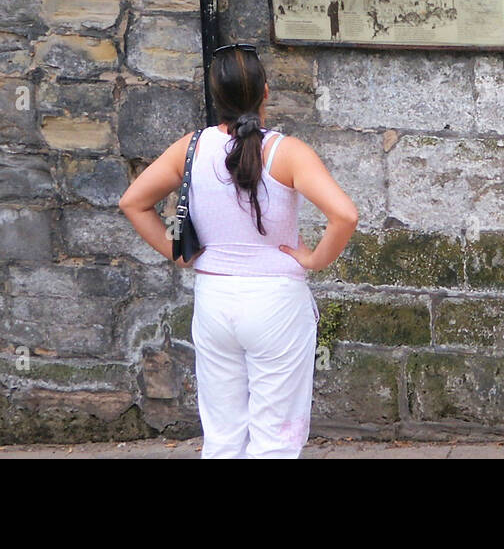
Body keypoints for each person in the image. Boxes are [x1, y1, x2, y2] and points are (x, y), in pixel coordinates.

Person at [118, 44, 358, 458]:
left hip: (214, 301)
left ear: (216, 97)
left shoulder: (190, 149)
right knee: (276, 439)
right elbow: (345, 216)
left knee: (224, 436)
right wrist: (314, 259)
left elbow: (133, 202)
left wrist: (177, 252)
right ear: (266, 92)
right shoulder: (287, 153)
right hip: (276, 304)